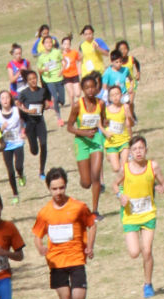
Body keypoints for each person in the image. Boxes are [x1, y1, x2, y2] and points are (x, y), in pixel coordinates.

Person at [32, 168, 96, 299]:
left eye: (61, 188)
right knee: (65, 298)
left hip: (76, 259)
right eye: (54, 189)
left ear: (66, 186)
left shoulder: (78, 207)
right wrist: (40, 247)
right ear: (49, 189)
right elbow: (37, 235)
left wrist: (89, 246)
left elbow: (92, 224)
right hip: (56, 262)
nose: (58, 192)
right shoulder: (45, 212)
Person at [114, 135, 164, 298]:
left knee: (147, 251)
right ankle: (147, 282)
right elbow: (115, 185)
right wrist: (120, 196)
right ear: (130, 152)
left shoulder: (153, 166)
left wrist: (162, 188)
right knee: (134, 252)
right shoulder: (125, 168)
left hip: (148, 214)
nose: (138, 152)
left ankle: (148, 284)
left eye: (141, 148)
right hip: (130, 216)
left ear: (146, 150)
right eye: (135, 149)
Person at [65, 72, 105, 217]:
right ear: (82, 89)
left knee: (96, 177)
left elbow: (104, 120)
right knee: (87, 182)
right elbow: (69, 127)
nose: (90, 90)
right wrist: (84, 133)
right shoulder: (77, 106)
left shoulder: (101, 103)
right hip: (81, 141)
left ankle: (94, 211)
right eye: (87, 88)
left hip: (96, 141)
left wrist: (107, 126)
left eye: (92, 87)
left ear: (96, 88)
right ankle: (83, 179)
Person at [16, 70, 51, 181]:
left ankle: (42, 170)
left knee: (44, 144)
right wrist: (26, 110)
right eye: (30, 79)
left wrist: (46, 106)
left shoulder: (42, 91)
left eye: (34, 78)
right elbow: (18, 105)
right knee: (34, 151)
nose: (33, 81)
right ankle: (32, 146)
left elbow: (46, 103)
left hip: (40, 121)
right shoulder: (24, 93)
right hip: (30, 123)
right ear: (27, 81)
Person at [0, 90, 26, 202]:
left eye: (7, 97)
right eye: (2, 98)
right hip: (6, 145)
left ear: (11, 99)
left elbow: (24, 121)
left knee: (18, 166)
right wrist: (1, 129)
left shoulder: (17, 110)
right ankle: (15, 194)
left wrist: (23, 131)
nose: (5, 100)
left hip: (18, 142)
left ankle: (21, 175)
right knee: (10, 171)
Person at [100, 85, 132, 176]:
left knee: (124, 166)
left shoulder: (124, 107)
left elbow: (129, 124)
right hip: (111, 143)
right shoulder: (106, 110)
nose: (115, 97)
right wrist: (105, 133)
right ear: (109, 98)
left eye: (117, 94)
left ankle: (124, 187)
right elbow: (100, 125)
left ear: (121, 95)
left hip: (124, 140)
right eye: (112, 95)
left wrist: (131, 140)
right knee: (116, 168)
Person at [37, 35, 65, 125]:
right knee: (55, 98)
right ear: (43, 45)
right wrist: (44, 70)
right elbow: (39, 70)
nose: (49, 44)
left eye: (50, 42)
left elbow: (64, 61)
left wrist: (62, 70)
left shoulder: (57, 52)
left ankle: (57, 104)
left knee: (62, 100)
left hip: (59, 78)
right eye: (46, 42)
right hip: (49, 80)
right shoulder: (41, 57)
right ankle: (59, 118)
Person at [116, 40, 141, 121]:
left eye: (125, 49)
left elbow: (137, 63)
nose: (123, 51)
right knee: (124, 104)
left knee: (130, 101)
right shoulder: (117, 62)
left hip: (131, 83)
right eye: (121, 49)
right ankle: (129, 117)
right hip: (122, 85)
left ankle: (132, 114)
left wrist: (138, 73)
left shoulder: (131, 59)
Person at [60, 35, 82, 110]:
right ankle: (73, 109)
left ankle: (79, 105)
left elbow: (79, 60)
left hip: (75, 74)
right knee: (71, 94)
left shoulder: (74, 52)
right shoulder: (60, 55)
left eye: (68, 44)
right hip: (66, 76)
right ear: (62, 45)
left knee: (78, 94)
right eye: (65, 44)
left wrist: (79, 69)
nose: (67, 46)